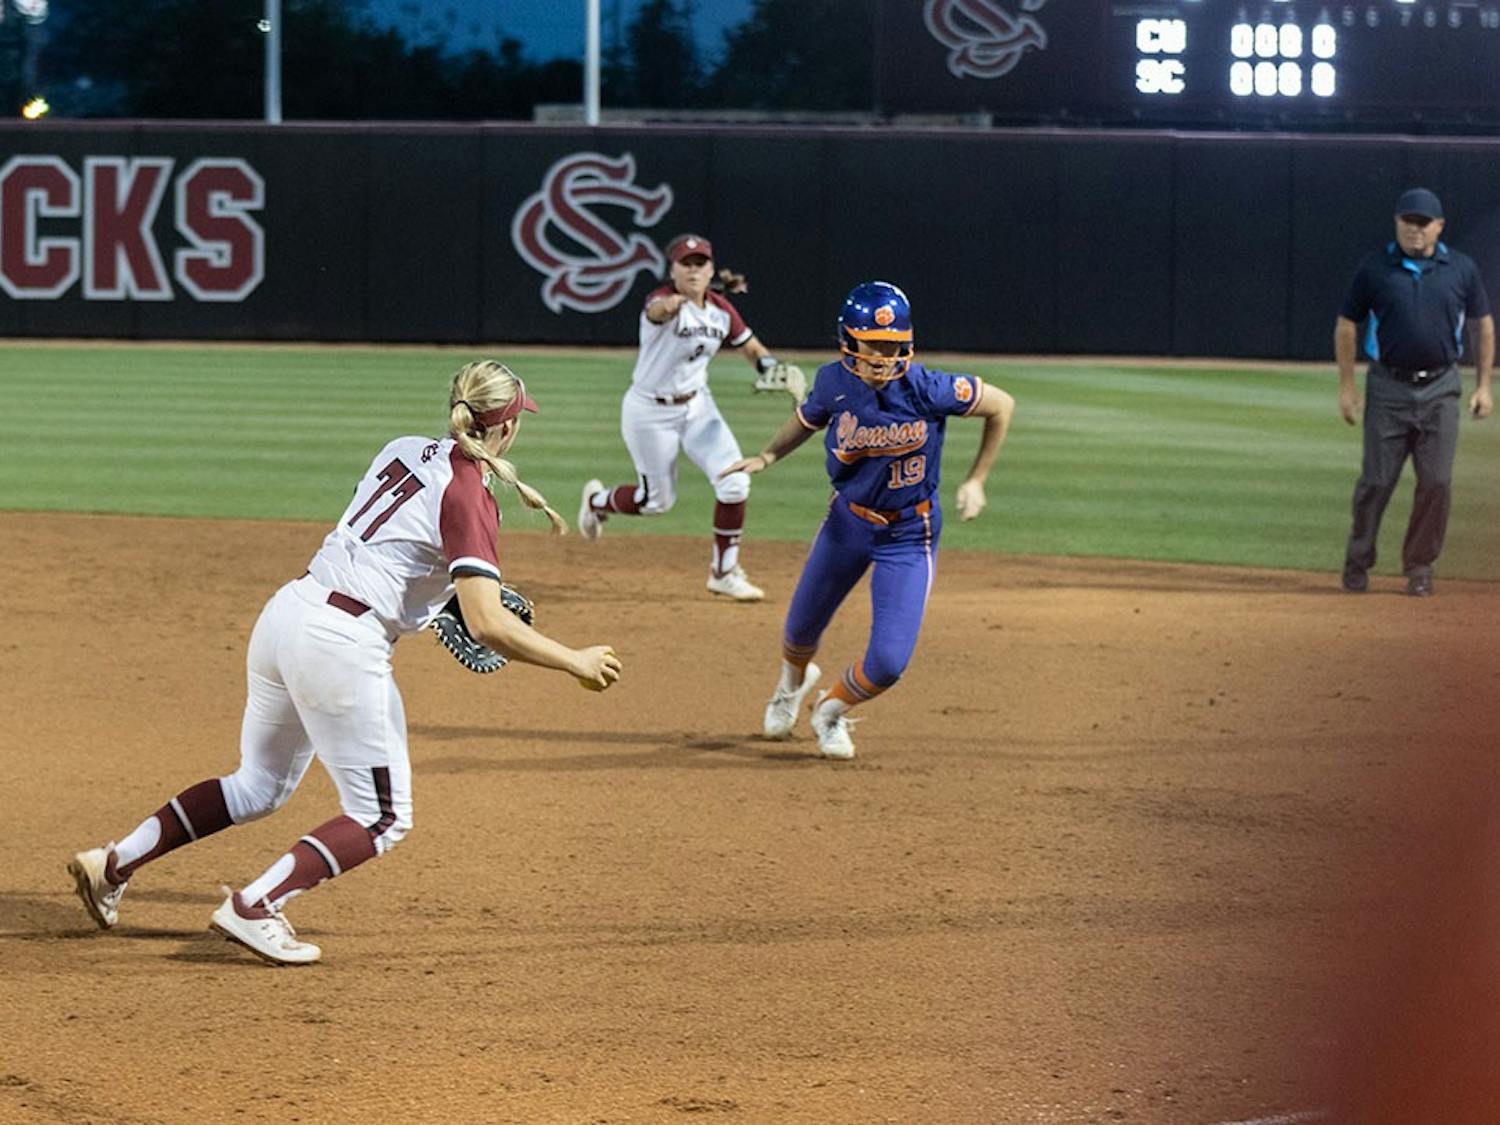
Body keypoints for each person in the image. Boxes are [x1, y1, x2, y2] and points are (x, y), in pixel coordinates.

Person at [67, 360, 623, 965]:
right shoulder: (469, 494)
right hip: (339, 644)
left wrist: (435, 602)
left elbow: (391, 551)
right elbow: (489, 622)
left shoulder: (403, 449)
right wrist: (574, 660)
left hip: (289, 613)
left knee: (257, 785)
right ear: (508, 427)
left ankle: (113, 864)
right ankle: (256, 905)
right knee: (382, 816)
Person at [721, 281, 1014, 759]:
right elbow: (807, 417)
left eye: (891, 345)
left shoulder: (928, 388)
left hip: (909, 533)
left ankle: (830, 710)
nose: (881, 356)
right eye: (871, 344)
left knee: (889, 663)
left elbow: (1001, 406)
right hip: (848, 524)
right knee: (800, 629)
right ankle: (790, 686)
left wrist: (976, 479)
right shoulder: (833, 382)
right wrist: (767, 455)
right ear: (848, 340)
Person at [577, 232, 794, 602]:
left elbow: (752, 348)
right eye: (685, 264)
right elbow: (656, 311)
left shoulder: (721, 311)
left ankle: (723, 573)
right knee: (656, 502)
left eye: (700, 264)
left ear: (710, 270)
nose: (693, 270)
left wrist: (771, 368)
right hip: (649, 410)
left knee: (735, 482)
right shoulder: (660, 301)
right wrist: (673, 305)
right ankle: (597, 502)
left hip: (698, 408)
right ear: (672, 270)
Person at [1336, 187, 1494, 597]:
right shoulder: (1375, 268)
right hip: (1388, 387)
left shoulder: (1461, 269)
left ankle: (1420, 566)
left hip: (1441, 387)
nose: (1415, 230)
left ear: (1439, 226)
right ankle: (1358, 559)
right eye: (1409, 221)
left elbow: (1482, 323)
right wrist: (1347, 386)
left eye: (1424, 223)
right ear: (1397, 223)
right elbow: (1347, 323)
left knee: (1436, 482)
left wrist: (1483, 386)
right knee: (1376, 481)